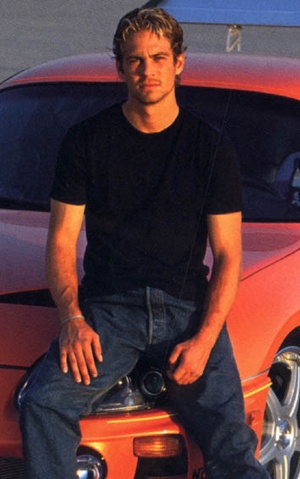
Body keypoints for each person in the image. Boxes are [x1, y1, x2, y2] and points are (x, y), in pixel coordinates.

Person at [19, 7, 270, 479]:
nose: (147, 70)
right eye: (135, 60)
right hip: (109, 311)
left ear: (178, 63)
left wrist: (205, 339)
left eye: (158, 58)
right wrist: (72, 319)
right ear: (119, 67)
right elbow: (62, 241)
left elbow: (230, 253)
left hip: (187, 310)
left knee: (233, 446)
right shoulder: (86, 141)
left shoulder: (210, 147)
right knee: (43, 401)